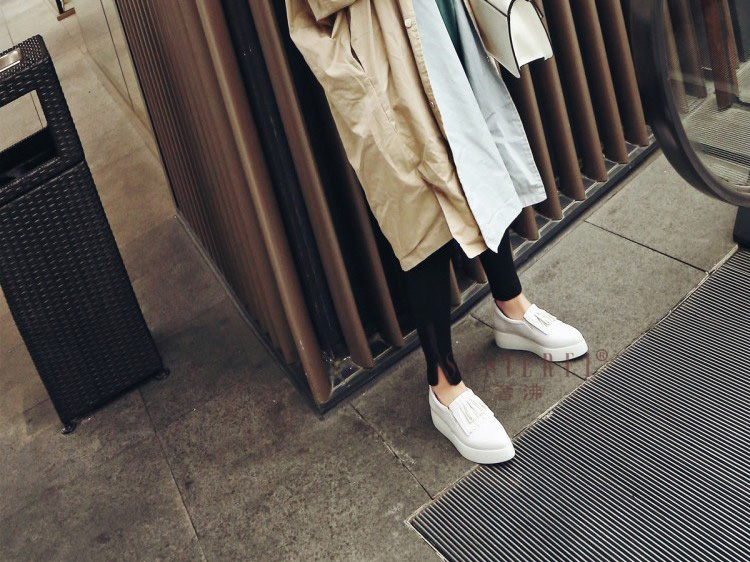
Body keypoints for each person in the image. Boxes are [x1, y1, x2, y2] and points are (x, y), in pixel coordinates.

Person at [287, 0, 587, 464]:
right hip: (381, 48)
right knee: (420, 210)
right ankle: (443, 383)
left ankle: (511, 306)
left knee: (478, 167)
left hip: (441, 22)